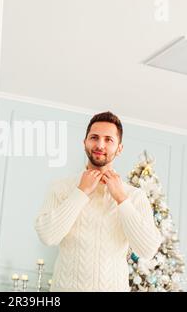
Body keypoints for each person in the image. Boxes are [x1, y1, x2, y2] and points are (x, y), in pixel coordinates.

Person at [35, 111, 162, 291]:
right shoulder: (61, 188)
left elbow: (148, 249)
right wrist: (81, 192)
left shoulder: (134, 196)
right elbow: (48, 236)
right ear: (85, 143)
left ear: (119, 148)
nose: (100, 145)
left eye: (108, 139)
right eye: (94, 137)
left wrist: (121, 199)